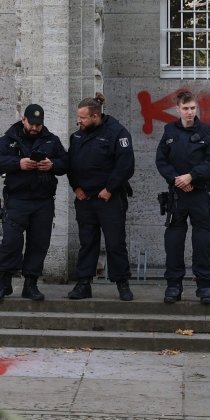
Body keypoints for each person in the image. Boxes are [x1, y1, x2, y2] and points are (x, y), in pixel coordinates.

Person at [0, 104, 69, 302]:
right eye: (32, 123)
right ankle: (4, 283)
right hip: (18, 200)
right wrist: (19, 164)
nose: (35, 128)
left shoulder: (52, 140)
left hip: (43, 201)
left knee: (39, 243)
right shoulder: (8, 140)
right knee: (11, 243)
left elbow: (66, 163)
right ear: (23, 119)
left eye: (38, 125)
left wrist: (52, 164)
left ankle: (30, 284)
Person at [66, 93, 135, 301]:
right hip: (85, 199)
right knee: (87, 242)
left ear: (95, 117)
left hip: (109, 198)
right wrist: (75, 187)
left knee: (115, 243)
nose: (79, 121)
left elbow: (125, 166)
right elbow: (71, 164)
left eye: (82, 117)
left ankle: (122, 283)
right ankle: (83, 283)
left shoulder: (117, 133)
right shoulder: (77, 136)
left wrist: (110, 188)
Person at [155, 90, 210, 305]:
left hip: (199, 195)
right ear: (178, 109)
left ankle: (204, 287)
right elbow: (161, 160)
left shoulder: (206, 131)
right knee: (174, 242)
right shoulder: (169, 131)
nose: (190, 112)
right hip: (177, 196)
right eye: (186, 108)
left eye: (193, 108)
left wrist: (191, 176)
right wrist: (177, 180)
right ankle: (174, 286)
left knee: (202, 241)